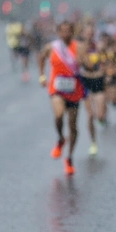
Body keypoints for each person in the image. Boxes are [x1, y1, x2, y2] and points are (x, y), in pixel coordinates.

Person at [38, 21, 86, 175]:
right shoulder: (51, 47)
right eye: (63, 31)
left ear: (72, 32)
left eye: (68, 31)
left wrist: (82, 61)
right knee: (59, 115)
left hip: (74, 89)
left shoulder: (79, 47)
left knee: (73, 126)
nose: (65, 34)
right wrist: (42, 76)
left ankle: (69, 158)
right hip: (57, 89)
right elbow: (41, 57)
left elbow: (85, 63)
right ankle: (60, 138)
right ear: (58, 32)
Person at [78, 24, 107, 156]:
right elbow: (85, 64)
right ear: (83, 34)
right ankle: (93, 142)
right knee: (90, 115)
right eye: (87, 33)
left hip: (98, 80)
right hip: (86, 81)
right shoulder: (80, 47)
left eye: (91, 32)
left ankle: (102, 119)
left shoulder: (99, 46)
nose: (89, 35)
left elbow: (105, 61)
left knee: (99, 115)